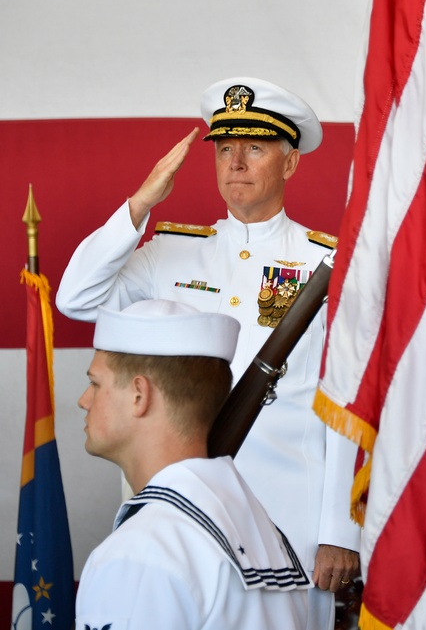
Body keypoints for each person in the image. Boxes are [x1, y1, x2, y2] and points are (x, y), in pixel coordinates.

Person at [56, 77, 359, 629]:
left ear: (289, 164)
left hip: (289, 515)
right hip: (182, 512)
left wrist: (339, 529)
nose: (236, 162)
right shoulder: (171, 252)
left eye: (255, 148)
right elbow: (76, 298)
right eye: (224, 149)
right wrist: (140, 204)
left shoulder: (328, 265)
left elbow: (343, 399)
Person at [75, 299, 311, 629]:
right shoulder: (266, 536)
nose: (84, 401)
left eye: (96, 384)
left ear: (139, 396)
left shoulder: (141, 553)